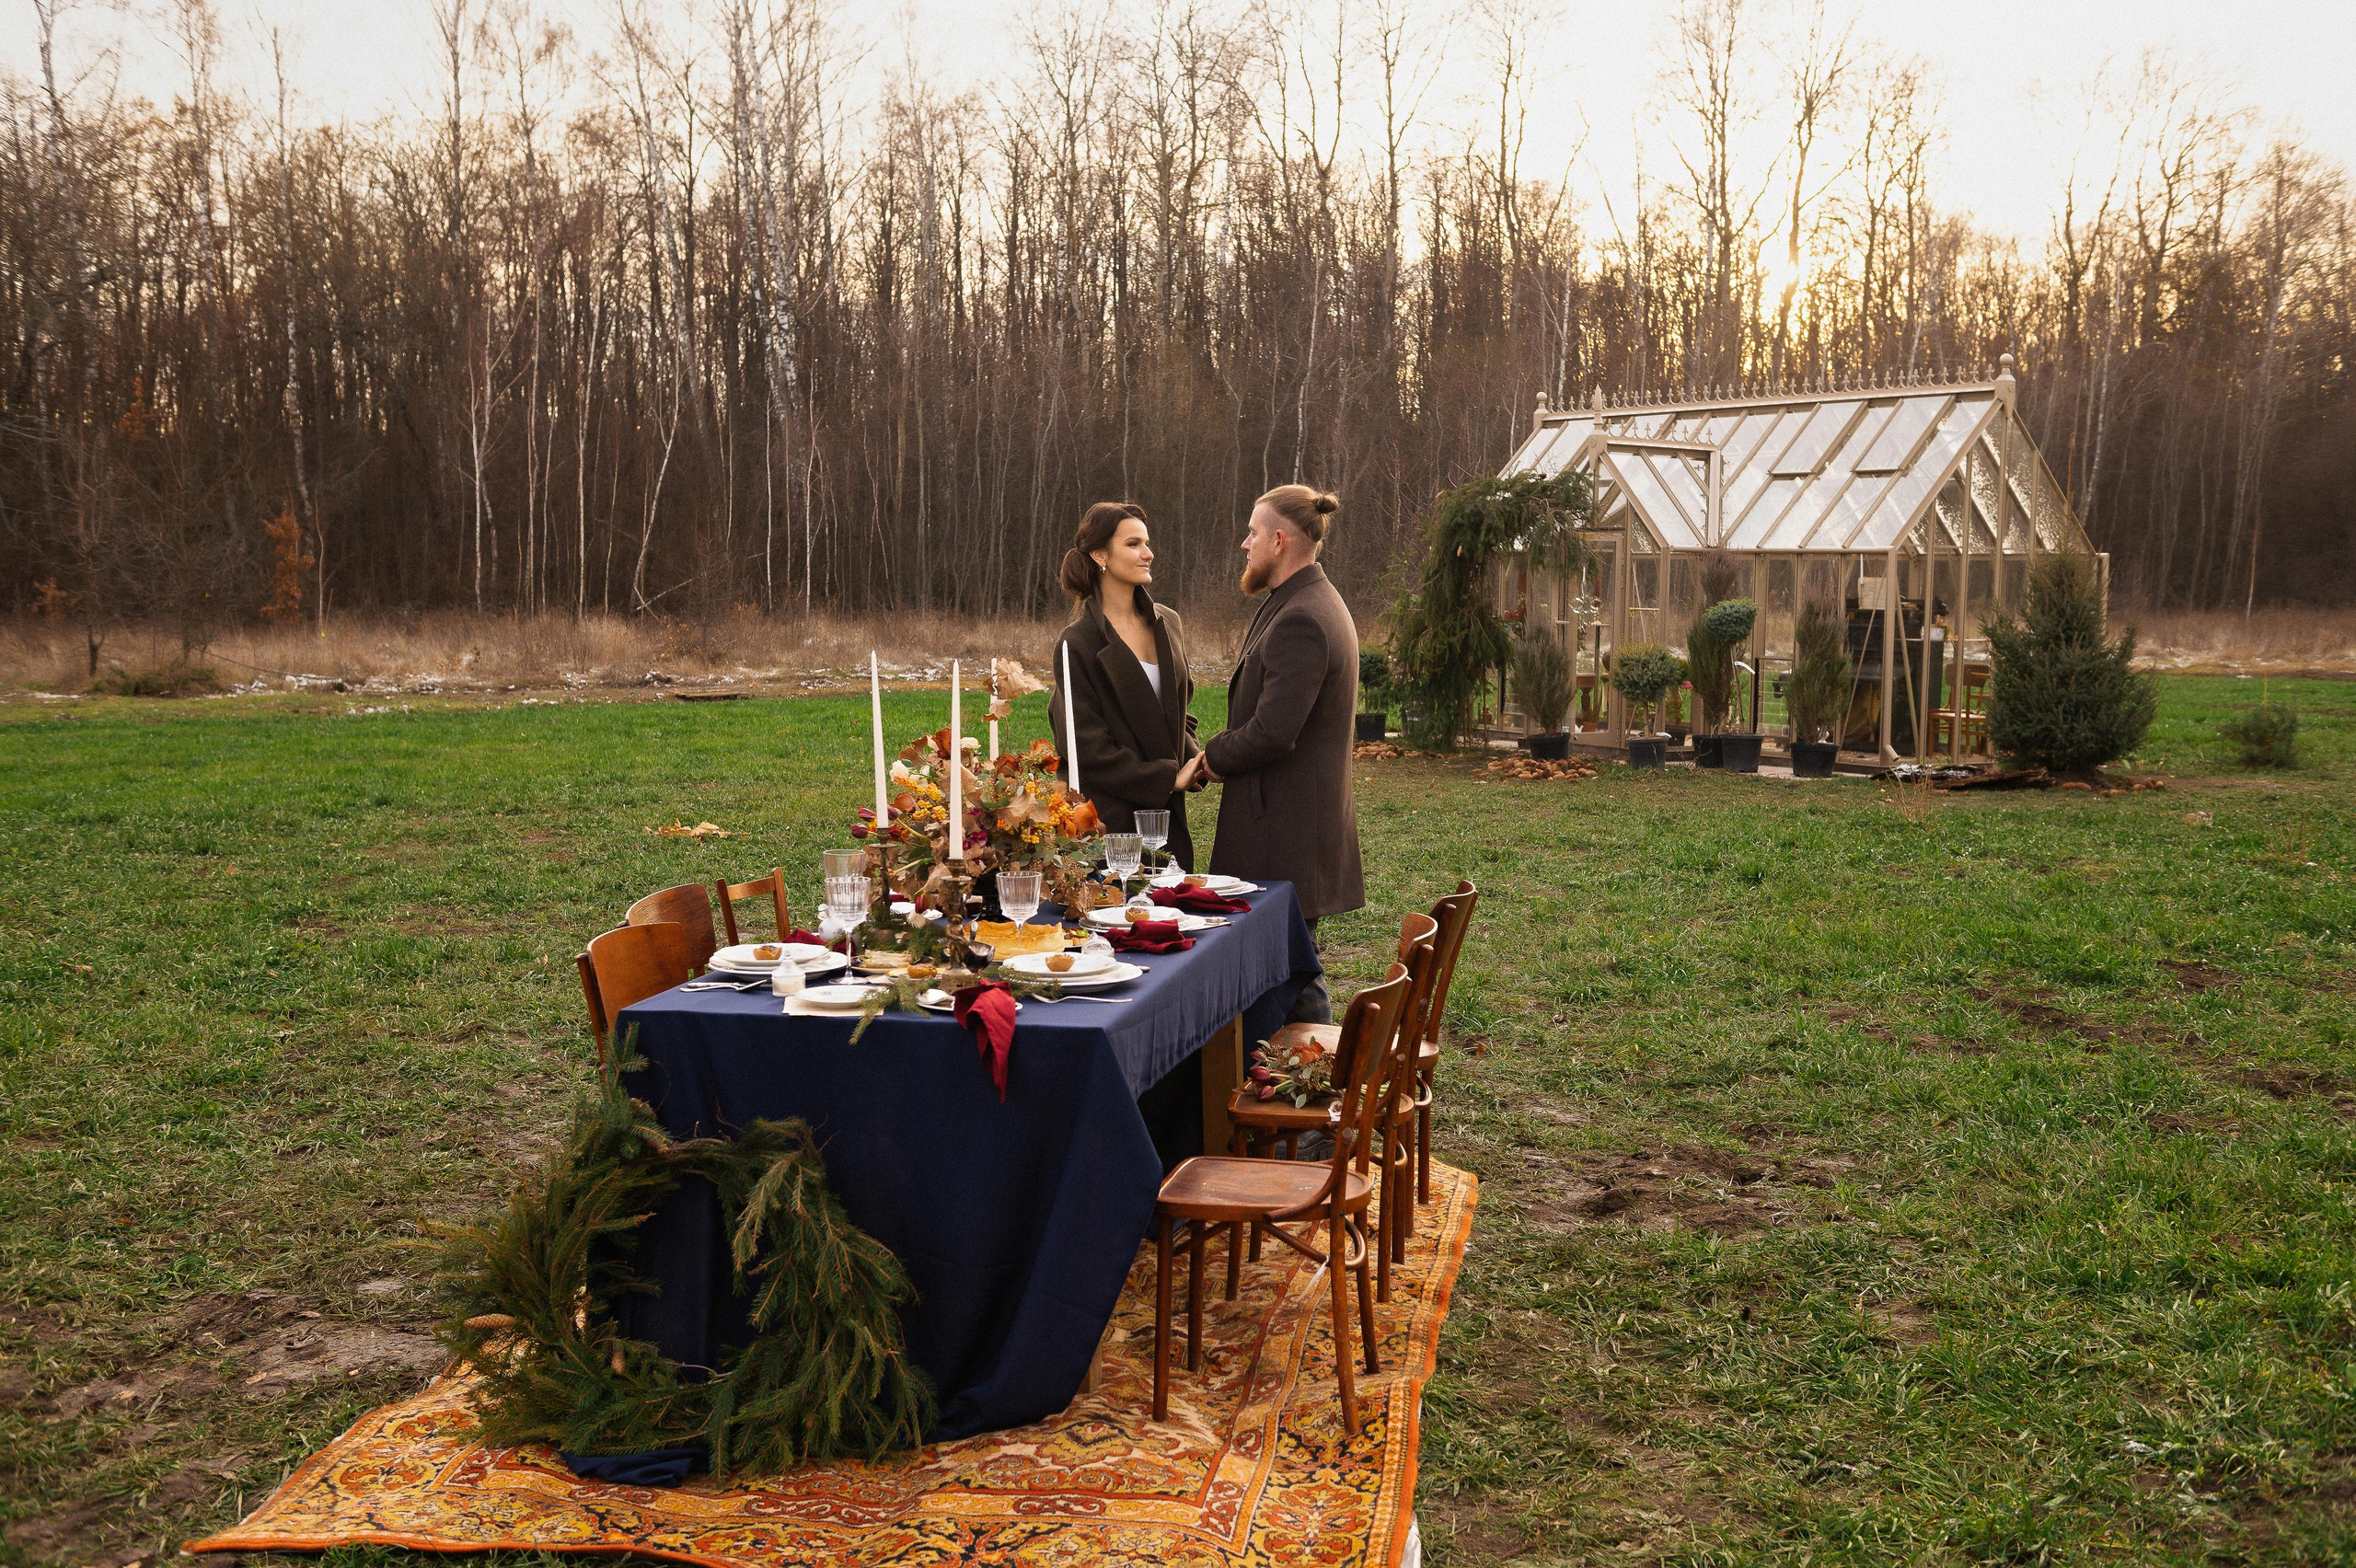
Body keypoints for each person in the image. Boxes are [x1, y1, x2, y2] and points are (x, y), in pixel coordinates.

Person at [1178, 484, 1364, 1022]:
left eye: (1254, 533)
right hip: (1290, 833)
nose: (1245, 544)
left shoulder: (1303, 617)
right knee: (1287, 973)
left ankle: (1314, 1092)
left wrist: (1208, 759)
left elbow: (1272, 732)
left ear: (1279, 540)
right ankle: (1302, 1085)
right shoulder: (1299, 602)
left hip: (1285, 838)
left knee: (1293, 980)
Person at [1048, 502, 1204, 869]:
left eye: (1147, 543)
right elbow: (1086, 748)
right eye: (1133, 544)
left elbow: (1179, 711)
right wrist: (1167, 777)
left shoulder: (1169, 622)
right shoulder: (1078, 642)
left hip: (1169, 821)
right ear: (1100, 554)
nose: (1148, 554)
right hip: (1111, 825)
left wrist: (1194, 760)